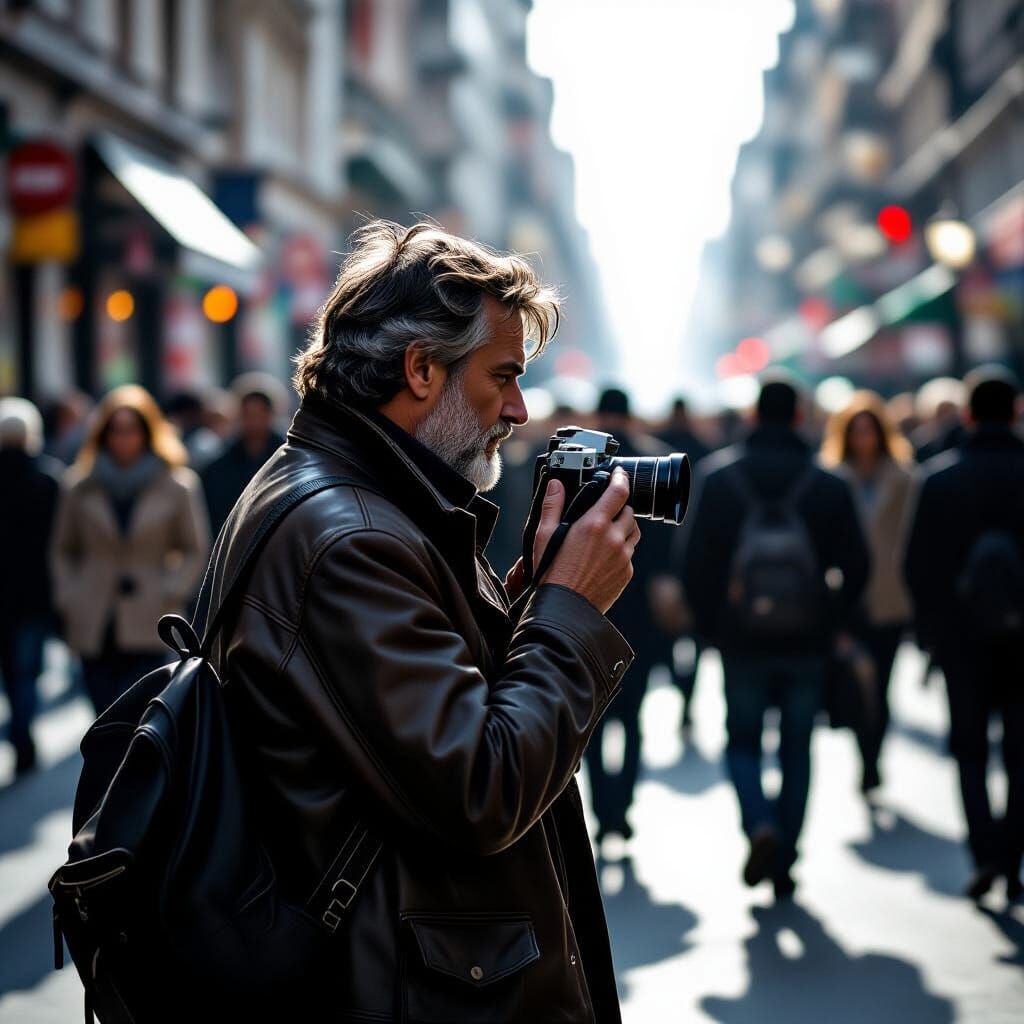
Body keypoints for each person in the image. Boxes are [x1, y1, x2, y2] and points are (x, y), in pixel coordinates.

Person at [202, 221, 639, 1021]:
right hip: (406, 988)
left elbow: (425, 724)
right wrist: (570, 613)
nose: (517, 407)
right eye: (502, 376)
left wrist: (532, 599)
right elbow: (481, 786)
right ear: (420, 368)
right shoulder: (353, 538)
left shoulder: (371, 500)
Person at [681, 377, 869, 899]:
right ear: (798, 416)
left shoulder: (722, 480)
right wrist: (833, 622)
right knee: (797, 748)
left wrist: (711, 629)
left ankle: (758, 823)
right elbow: (858, 565)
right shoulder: (826, 484)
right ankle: (786, 857)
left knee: (741, 742)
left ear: (754, 414)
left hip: (741, 642)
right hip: (808, 642)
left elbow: (695, 564)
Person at [904, 368, 1024, 903]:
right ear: (1016, 411)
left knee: (970, 749)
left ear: (969, 413)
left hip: (961, 640)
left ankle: (983, 854)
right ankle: (1010, 856)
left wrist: (932, 636)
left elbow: (918, 567)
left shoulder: (940, 478)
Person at [51, 385, 210, 716]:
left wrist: (171, 589)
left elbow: (195, 548)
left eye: (132, 430)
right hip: (94, 611)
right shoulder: (79, 485)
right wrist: (69, 594)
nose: (123, 439)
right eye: (115, 430)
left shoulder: (177, 485)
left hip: (151, 613)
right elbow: (63, 548)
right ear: (103, 434)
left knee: (140, 715)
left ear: (148, 432)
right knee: (102, 714)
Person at [582, 386, 669, 844]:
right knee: (633, 718)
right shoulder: (654, 467)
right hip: (640, 613)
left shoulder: (582, 466)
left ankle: (605, 810)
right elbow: (669, 542)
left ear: (599, 414)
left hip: (591, 607)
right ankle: (623, 807)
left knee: (593, 721)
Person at [820, 391, 914, 796]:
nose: (863, 439)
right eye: (855, 431)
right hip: (846, 598)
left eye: (869, 430)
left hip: (890, 596)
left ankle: (873, 758)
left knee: (884, 682)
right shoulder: (830, 478)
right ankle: (865, 755)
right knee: (858, 682)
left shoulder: (906, 476)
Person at [0, 398, 62, 778]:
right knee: (27, 671)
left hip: (5, 594)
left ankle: (20, 736)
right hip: (35, 594)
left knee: (10, 672)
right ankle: (23, 737)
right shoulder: (49, 478)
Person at [655, 396, 711, 731]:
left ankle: (682, 688)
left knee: (670, 642)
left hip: (667, 563)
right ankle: (687, 696)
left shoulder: (657, 452)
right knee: (696, 642)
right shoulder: (704, 452)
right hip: (696, 562)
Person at [200, 373, 286, 536]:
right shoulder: (218, 467)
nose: (254, 422)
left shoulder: (290, 460)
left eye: (259, 414)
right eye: (248, 414)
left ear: (271, 414)